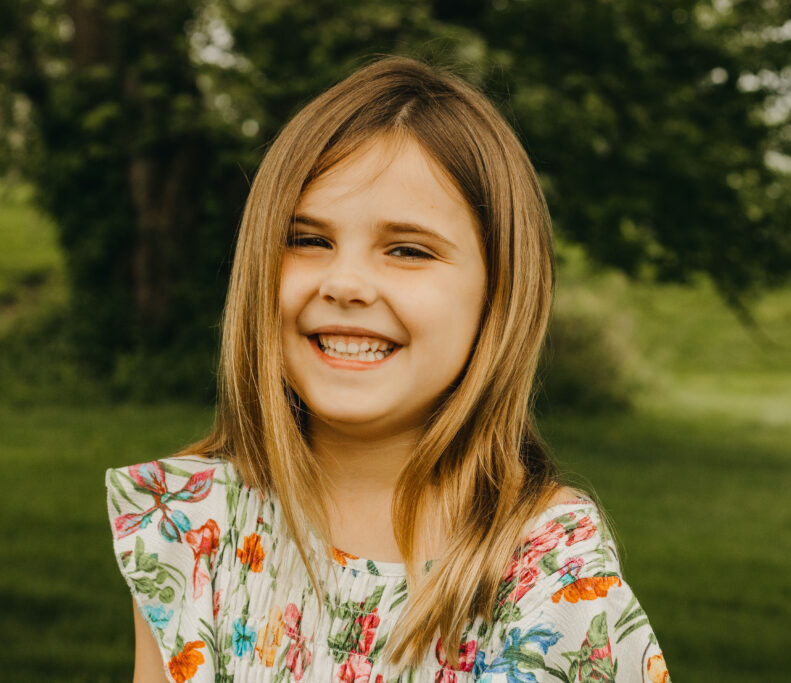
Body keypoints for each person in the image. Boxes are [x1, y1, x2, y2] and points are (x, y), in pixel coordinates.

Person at [105, 56, 671, 683]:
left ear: (499, 293)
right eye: (308, 240)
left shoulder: (551, 573)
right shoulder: (191, 525)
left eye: (407, 250)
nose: (345, 283)